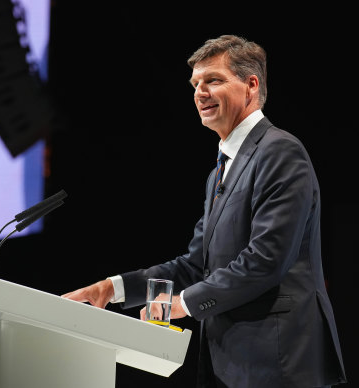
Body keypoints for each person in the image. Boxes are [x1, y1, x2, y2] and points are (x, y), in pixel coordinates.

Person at [62, 35, 346, 387]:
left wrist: (183, 303)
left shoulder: (280, 152)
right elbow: (197, 265)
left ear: (251, 85)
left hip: (278, 361)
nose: (200, 92)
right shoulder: (219, 173)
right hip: (231, 363)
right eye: (195, 84)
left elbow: (266, 260)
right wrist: (111, 288)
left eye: (213, 80)